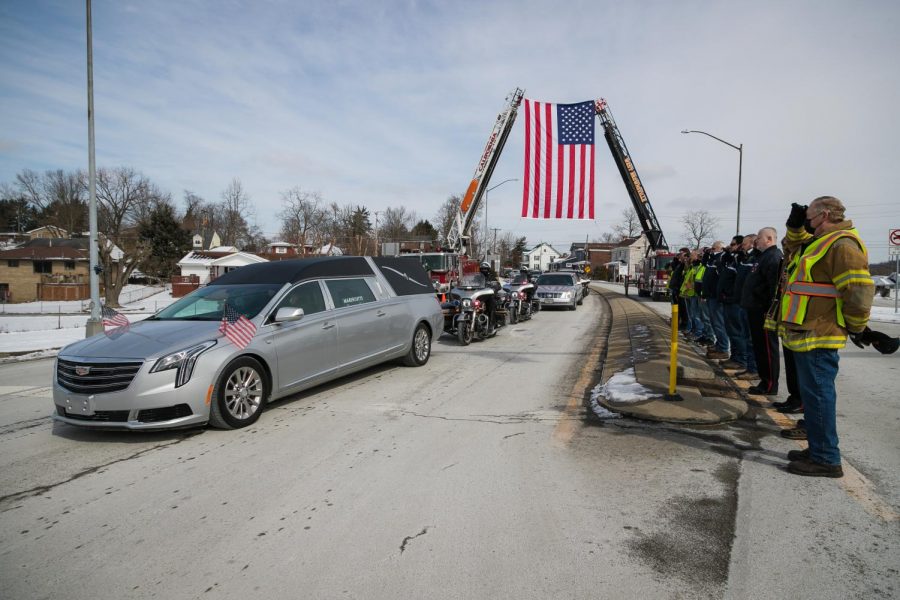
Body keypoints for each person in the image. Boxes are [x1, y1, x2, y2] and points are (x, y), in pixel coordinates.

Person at [779, 197, 873, 477]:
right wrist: (793, 227)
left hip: (821, 332)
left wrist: (856, 326)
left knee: (819, 397)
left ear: (825, 214)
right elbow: (792, 250)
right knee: (814, 395)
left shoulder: (842, 244)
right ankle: (818, 448)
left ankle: (826, 459)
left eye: (809, 216)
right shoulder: (821, 241)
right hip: (808, 330)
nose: (807, 221)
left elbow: (858, 290)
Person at [741, 228, 782, 395]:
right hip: (754, 308)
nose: (756, 241)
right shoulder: (762, 256)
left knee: (766, 348)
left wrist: (768, 309)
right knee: (759, 348)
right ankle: (764, 380)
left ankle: (770, 384)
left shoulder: (773, 257)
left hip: (762, 310)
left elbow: (773, 287)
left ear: (770, 239)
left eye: (759, 238)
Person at [703, 241, 730, 360]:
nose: (712, 250)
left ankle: (723, 348)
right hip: (710, 295)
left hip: (715, 296)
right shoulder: (712, 259)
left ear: (721, 248)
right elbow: (705, 266)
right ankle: (719, 345)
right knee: (714, 322)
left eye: (714, 248)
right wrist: (706, 254)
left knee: (719, 323)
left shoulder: (721, 259)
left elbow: (721, 274)